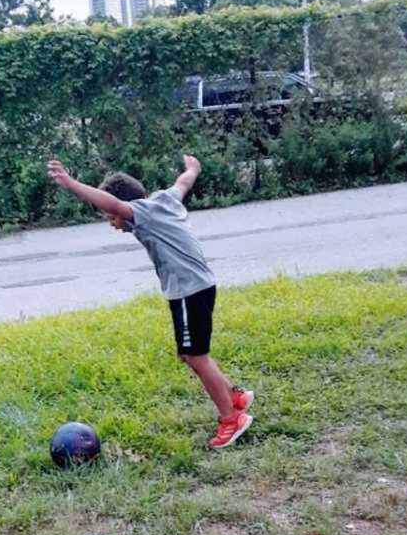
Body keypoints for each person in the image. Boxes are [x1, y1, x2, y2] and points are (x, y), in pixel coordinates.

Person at [46, 155, 253, 449]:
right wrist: (192, 168)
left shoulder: (142, 212)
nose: (113, 223)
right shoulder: (165, 200)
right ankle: (233, 396)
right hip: (198, 285)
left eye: (111, 217)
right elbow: (183, 183)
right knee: (190, 354)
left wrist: (69, 182)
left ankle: (232, 418)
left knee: (196, 356)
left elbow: (114, 204)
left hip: (188, 290)